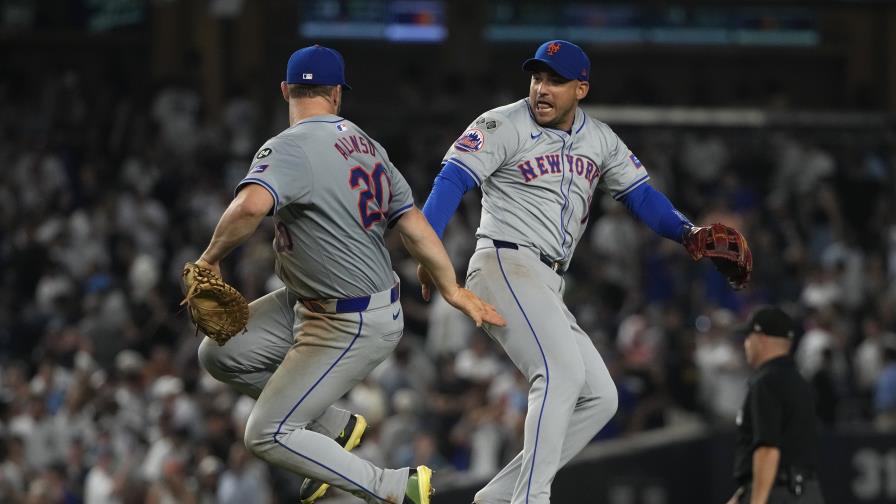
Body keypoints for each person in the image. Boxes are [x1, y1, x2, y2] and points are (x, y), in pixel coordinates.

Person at [419, 39, 748, 504]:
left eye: (556, 80)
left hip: (547, 280)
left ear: (582, 88)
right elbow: (451, 179)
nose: (542, 89)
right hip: (504, 262)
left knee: (600, 397)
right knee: (558, 373)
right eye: (537, 77)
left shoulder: (600, 139)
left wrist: (688, 233)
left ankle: (497, 497)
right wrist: (428, 248)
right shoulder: (501, 123)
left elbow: (641, 196)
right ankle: (530, 500)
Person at [193, 44, 504, 504]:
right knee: (219, 354)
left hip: (350, 321)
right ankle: (335, 427)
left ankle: (393, 487)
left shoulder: (289, 146)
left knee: (266, 434)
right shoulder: (367, 145)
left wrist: (209, 258)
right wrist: (450, 286)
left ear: (285, 90)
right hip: (311, 300)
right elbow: (413, 224)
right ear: (337, 93)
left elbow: (251, 206)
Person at [728, 307, 824, 504]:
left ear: (761, 339)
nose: (745, 344)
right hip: (807, 492)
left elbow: (768, 449)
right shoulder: (799, 381)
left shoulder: (766, 381)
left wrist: (756, 500)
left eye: (748, 337)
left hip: (777, 493)